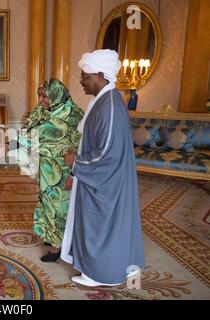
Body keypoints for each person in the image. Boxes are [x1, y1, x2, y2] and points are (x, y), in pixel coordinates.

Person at [61, 49, 145, 286]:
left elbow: (107, 153)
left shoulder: (108, 105)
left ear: (100, 75)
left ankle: (101, 274)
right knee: (108, 225)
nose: (81, 81)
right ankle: (106, 267)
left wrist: (75, 163)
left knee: (100, 224)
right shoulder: (105, 100)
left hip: (105, 181)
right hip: (105, 178)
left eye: (85, 76)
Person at [18, 79, 83, 262]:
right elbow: (30, 126)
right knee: (46, 203)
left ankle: (57, 248)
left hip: (63, 170)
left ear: (56, 95)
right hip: (47, 168)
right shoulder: (46, 111)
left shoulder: (70, 114)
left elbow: (34, 135)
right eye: (39, 95)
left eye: (45, 96)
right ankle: (51, 236)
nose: (40, 100)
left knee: (59, 207)